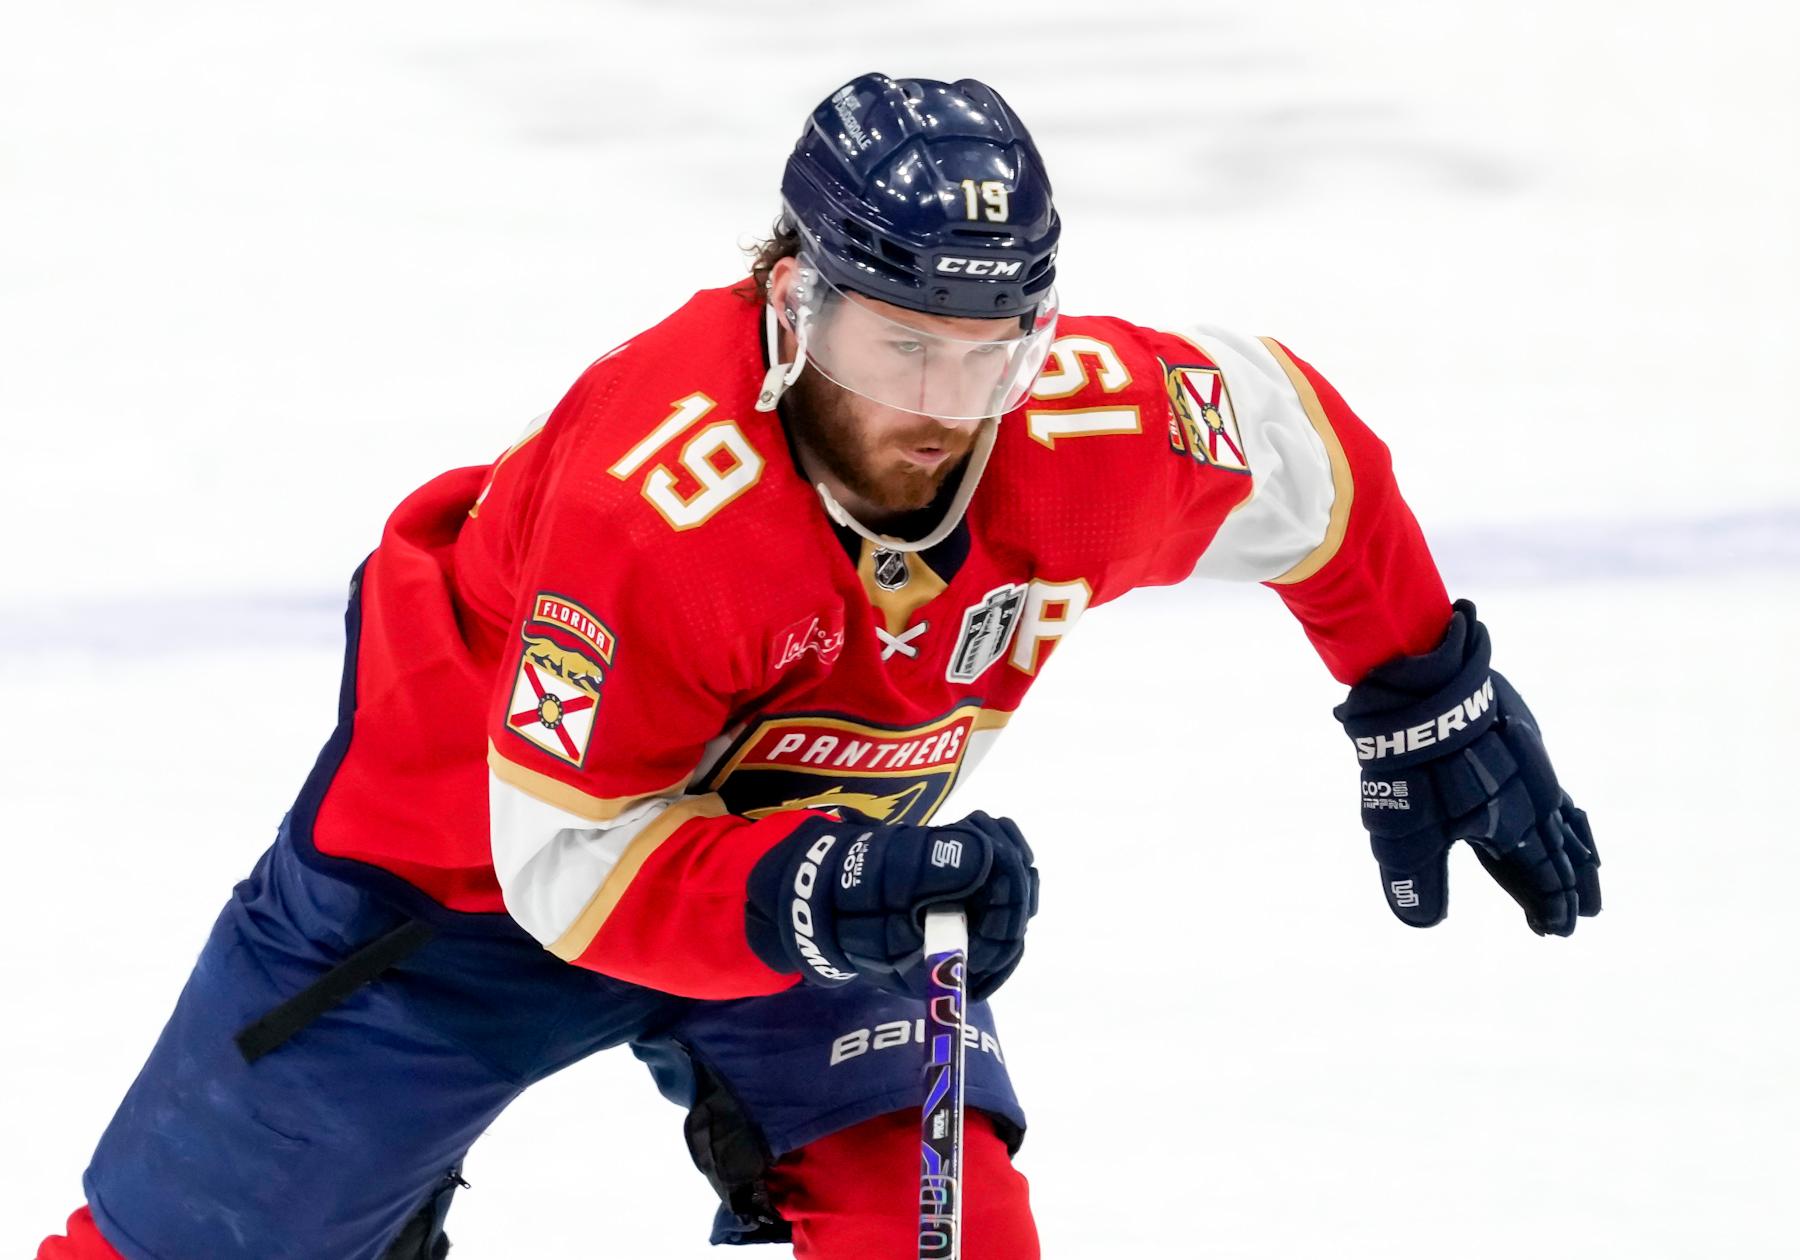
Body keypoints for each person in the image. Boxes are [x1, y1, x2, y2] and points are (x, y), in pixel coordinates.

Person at [39, 72, 1600, 1260]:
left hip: (818, 886)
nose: (941, 399)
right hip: (452, 887)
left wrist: (1419, 688)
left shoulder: (1081, 431)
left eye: (991, 346)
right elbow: (570, 870)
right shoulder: (654, 502)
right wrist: (812, 889)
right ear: (794, 302)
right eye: (892, 345)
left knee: (956, 1231)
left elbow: (1291, 444)